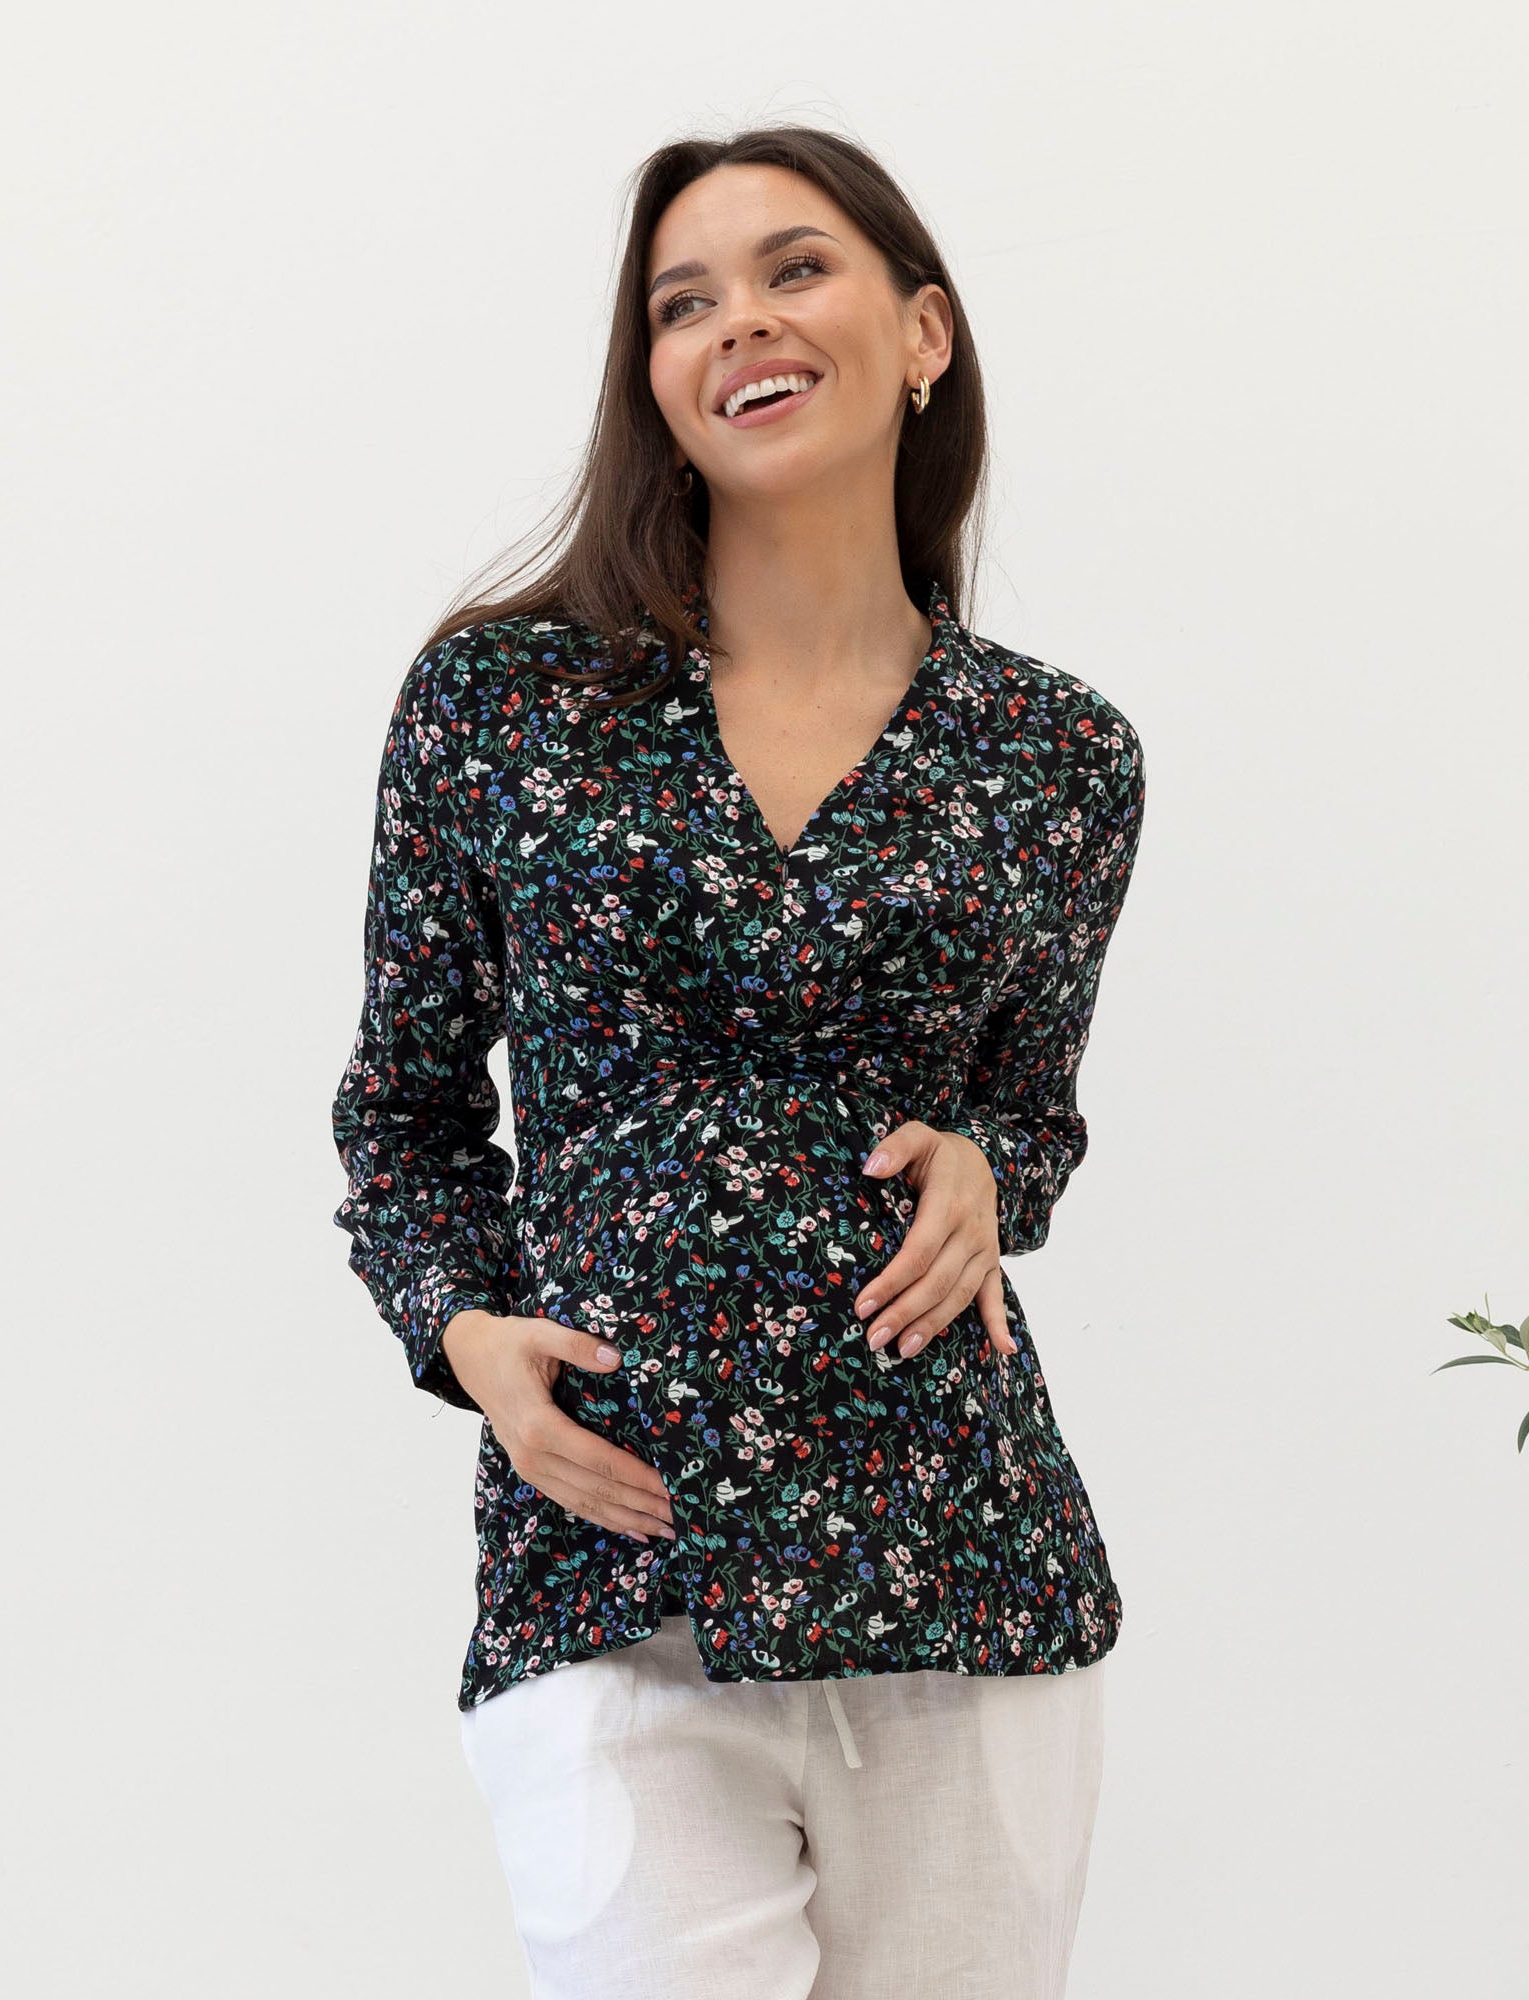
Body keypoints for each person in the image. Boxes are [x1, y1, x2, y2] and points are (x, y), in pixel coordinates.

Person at [330, 123, 1147, 2000]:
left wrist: (991, 1166)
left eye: (795, 271)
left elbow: (1028, 1115)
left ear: (922, 332)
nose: (738, 325)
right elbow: (404, 1111)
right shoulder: (503, 704)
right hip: (615, 1565)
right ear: (655, 383)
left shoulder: (1059, 757)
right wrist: (464, 1331)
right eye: (682, 303)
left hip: (959, 1562)